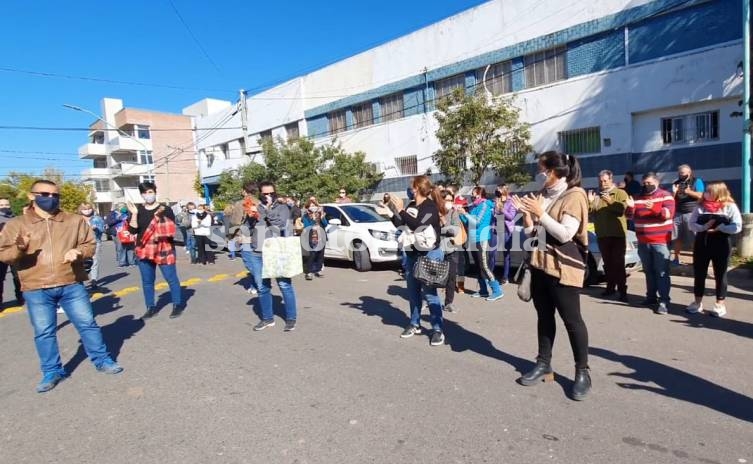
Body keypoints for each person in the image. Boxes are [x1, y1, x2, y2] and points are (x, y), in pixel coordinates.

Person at [0, 180, 123, 393]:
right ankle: (52, 371)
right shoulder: (16, 224)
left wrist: (79, 252)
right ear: (32, 196)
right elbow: (4, 254)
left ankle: (102, 360)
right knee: (44, 332)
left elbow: (89, 245)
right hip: (36, 286)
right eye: (44, 194)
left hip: (71, 283)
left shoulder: (73, 221)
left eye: (55, 195)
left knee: (87, 324)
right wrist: (19, 249)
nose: (51, 198)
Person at [511, 151, 591, 401]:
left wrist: (540, 213)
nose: (539, 174)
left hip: (563, 268)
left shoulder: (574, 195)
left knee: (572, 320)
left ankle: (582, 372)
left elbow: (566, 234)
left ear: (553, 171)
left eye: (541, 169)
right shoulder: (543, 196)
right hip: (540, 265)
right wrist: (526, 216)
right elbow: (534, 235)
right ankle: (544, 363)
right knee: (544, 316)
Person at [388, 175, 447, 346]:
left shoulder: (430, 207)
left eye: (411, 187)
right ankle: (415, 324)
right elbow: (404, 225)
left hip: (429, 254)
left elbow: (417, 225)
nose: (409, 190)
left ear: (418, 188)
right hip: (413, 254)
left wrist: (401, 210)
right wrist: (391, 214)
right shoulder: (412, 205)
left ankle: (437, 329)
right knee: (413, 292)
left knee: (430, 294)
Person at [246, 181, 299, 332]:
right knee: (262, 287)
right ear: (260, 194)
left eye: (271, 193)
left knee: (284, 285)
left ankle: (291, 318)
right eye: (265, 194)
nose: (269, 196)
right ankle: (267, 318)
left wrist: (268, 210)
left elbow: (280, 224)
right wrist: (251, 215)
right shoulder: (255, 206)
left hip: (276, 250)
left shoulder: (282, 207)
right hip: (258, 250)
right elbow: (250, 226)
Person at [128, 181, 184, 320]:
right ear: (141, 195)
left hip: (164, 247)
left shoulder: (165, 209)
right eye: (145, 193)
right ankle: (150, 307)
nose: (148, 195)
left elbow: (170, 229)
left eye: (150, 192)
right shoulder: (138, 210)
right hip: (144, 248)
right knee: (147, 281)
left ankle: (177, 305)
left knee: (171, 278)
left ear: (155, 192)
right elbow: (132, 230)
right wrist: (134, 214)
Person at [686, 181, 742, 318]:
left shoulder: (729, 207)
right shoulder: (699, 207)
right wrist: (704, 227)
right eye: (706, 191)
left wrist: (720, 228)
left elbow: (737, 227)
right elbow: (691, 224)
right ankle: (697, 302)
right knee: (699, 273)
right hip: (702, 244)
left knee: (720, 274)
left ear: (718, 193)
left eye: (709, 192)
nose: (705, 194)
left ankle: (719, 304)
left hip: (721, 244)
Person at [626, 172, 675, 315]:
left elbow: (667, 215)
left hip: (660, 241)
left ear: (657, 182)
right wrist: (629, 207)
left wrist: (654, 208)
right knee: (649, 272)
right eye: (644, 183)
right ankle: (651, 297)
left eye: (649, 183)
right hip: (643, 241)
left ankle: (664, 300)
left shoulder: (665, 195)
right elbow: (629, 216)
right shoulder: (638, 197)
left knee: (661, 272)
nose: (646, 185)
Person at [588, 170, 629, 301]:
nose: (603, 183)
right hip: (602, 234)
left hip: (617, 234)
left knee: (618, 264)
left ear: (611, 180)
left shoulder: (620, 193)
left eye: (605, 180)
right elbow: (591, 213)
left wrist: (610, 201)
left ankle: (622, 291)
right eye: (600, 181)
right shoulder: (597, 195)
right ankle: (610, 288)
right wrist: (590, 202)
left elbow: (621, 210)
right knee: (607, 263)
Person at [460, 187, 503, 301]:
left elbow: (477, 222)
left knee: (484, 265)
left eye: (475, 194)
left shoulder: (485, 205)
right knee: (478, 266)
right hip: (474, 238)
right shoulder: (474, 206)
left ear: (481, 194)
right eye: (472, 195)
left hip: (482, 238)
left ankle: (497, 290)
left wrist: (465, 213)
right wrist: (461, 214)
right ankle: (483, 290)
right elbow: (468, 222)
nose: (473, 196)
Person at [671, 164, 704, 265]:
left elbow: (701, 195)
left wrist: (688, 191)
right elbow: (671, 200)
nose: (681, 175)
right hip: (678, 213)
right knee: (676, 237)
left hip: (691, 212)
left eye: (683, 173)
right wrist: (674, 192)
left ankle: (697, 259)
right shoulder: (676, 183)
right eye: (679, 173)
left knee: (694, 237)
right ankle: (676, 258)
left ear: (689, 173)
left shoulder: (697, 181)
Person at [441, 189, 464, 313]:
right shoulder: (435, 212)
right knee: (432, 277)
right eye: (447, 200)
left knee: (451, 277)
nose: (449, 203)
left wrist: (443, 225)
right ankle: (429, 300)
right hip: (437, 249)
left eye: (451, 200)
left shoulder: (453, 212)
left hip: (451, 249)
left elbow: (455, 230)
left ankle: (448, 303)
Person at [0, 197, 23, 307]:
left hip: (14, 251)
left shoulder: (15, 219)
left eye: (6, 205)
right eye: (2, 205)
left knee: (18, 277)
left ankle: (20, 298)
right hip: (1, 252)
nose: (5, 207)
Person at [78, 202, 106, 289]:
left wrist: (96, 228)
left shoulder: (97, 219)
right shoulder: (77, 219)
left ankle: (94, 280)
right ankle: (81, 279)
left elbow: (102, 229)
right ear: (81, 210)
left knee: (94, 261)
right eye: (84, 209)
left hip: (95, 242)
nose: (87, 211)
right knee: (81, 262)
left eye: (89, 208)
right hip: (80, 243)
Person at [494, 184, 518, 284]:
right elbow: (493, 214)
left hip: (506, 230)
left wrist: (501, 209)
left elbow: (511, 217)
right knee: (492, 254)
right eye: (497, 192)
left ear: (504, 191)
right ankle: (491, 276)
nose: (498, 193)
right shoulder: (496, 200)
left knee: (506, 255)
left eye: (499, 191)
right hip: (496, 229)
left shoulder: (511, 201)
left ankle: (505, 277)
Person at [302, 198, 328, 280]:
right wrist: (312, 220)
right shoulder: (306, 216)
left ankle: (318, 269)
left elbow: (325, 224)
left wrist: (322, 218)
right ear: (308, 207)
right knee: (312, 254)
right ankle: (309, 272)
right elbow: (307, 227)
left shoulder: (320, 214)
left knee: (320, 254)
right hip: (312, 236)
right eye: (311, 206)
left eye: (314, 205)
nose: (313, 207)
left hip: (321, 235)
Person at [106, 203, 136, 267]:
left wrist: (128, 217)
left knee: (130, 247)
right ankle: (122, 262)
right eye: (120, 206)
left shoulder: (128, 213)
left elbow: (133, 220)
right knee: (120, 247)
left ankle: (131, 262)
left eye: (124, 206)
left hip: (128, 232)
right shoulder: (112, 214)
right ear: (117, 207)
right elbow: (109, 222)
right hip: (117, 233)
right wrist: (118, 218)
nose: (122, 208)